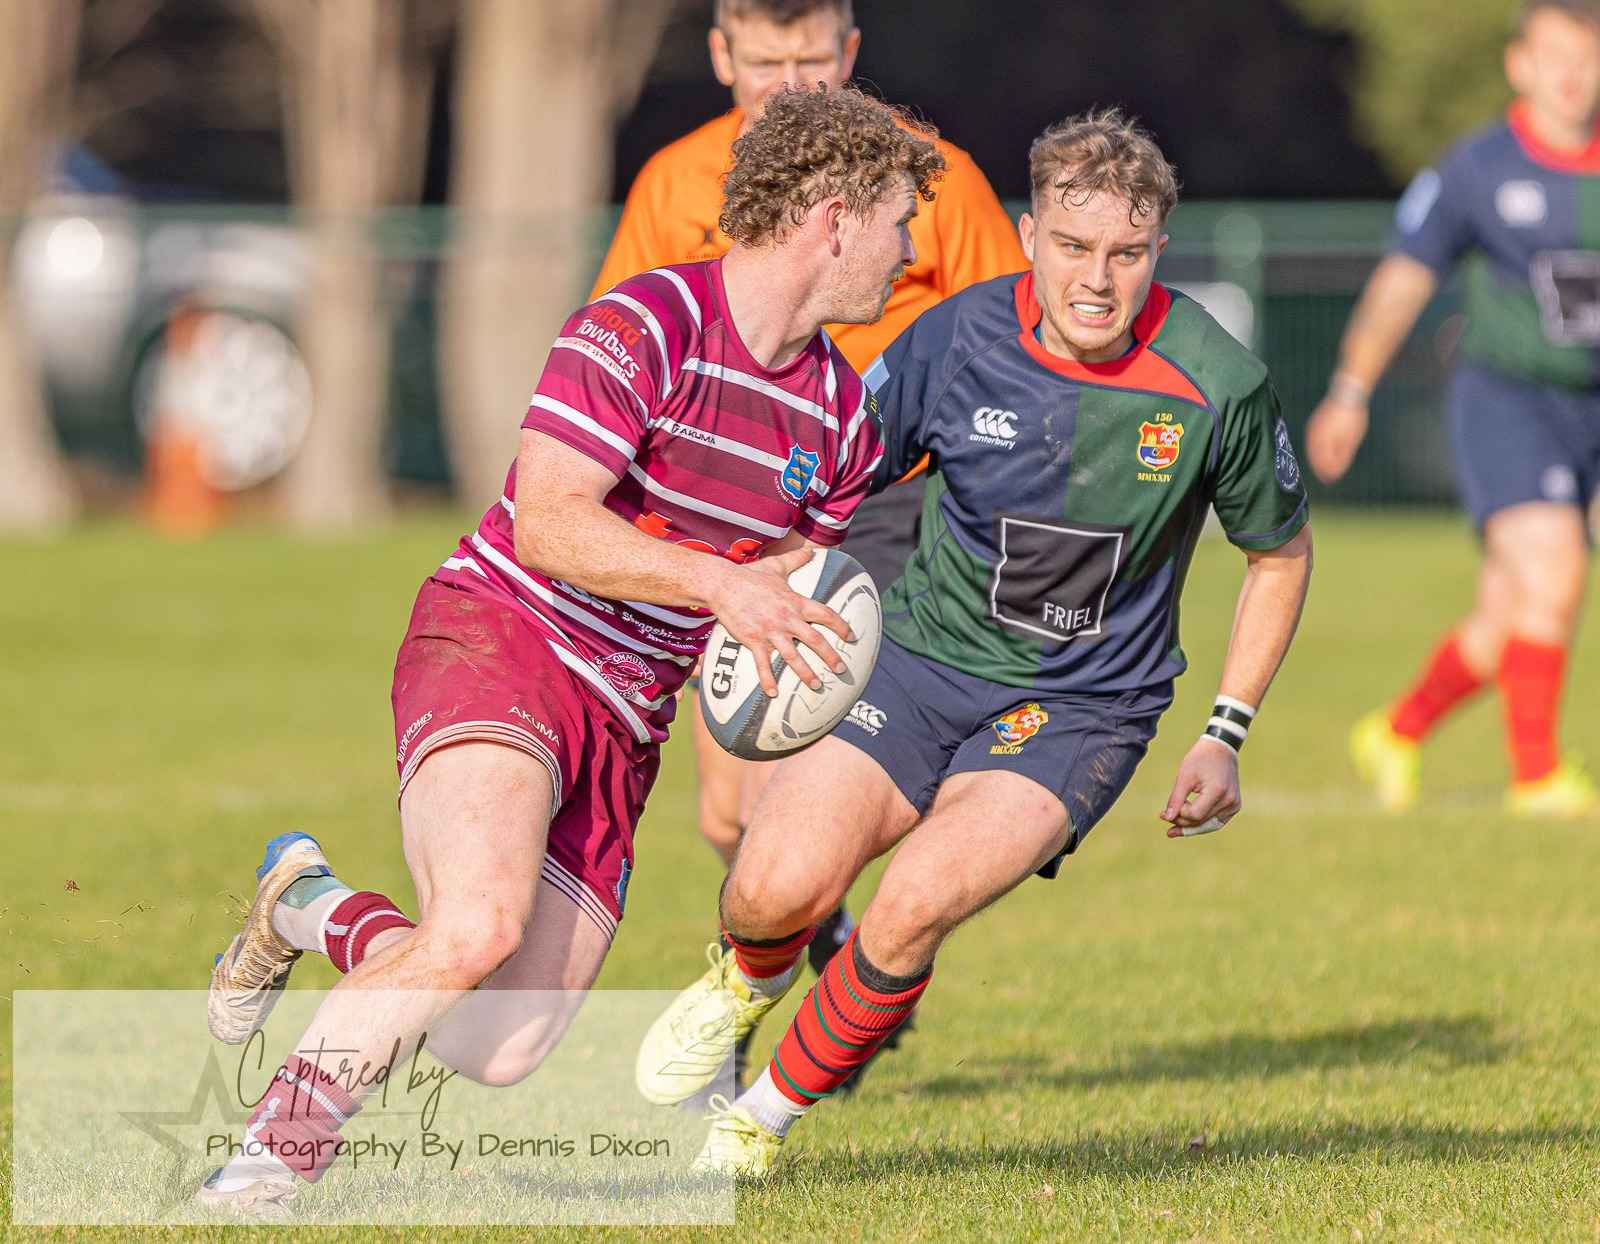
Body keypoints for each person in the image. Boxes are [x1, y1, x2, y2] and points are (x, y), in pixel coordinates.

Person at [196, 85, 945, 1214]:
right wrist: (718, 582)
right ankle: (260, 1168)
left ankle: (309, 903)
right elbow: (549, 521)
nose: (907, 254)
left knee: (498, 1043)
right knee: (477, 923)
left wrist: (799, 687)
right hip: (508, 634)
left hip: (627, 718)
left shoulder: (841, 420)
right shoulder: (645, 325)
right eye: (897, 223)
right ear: (833, 220)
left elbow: (782, 614)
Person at [633, 108, 1314, 1177]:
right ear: (1030, 235)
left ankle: (756, 1120)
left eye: (1128, 253)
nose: (1098, 280)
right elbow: (839, 465)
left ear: (1157, 249)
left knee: (911, 906)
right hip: (916, 662)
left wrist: (1224, 732)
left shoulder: (1215, 382)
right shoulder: (959, 338)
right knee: (771, 885)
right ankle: (746, 982)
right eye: (1074, 246)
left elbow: (1279, 553)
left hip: (1082, 709)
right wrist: (752, 578)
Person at [594, 0, 1026, 1082]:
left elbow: (1009, 341)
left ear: (851, 53)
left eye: (811, 58)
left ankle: (739, 1031)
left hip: (878, 500)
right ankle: (825, 935)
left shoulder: (932, 178)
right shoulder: (675, 185)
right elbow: (626, 342)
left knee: (789, 767)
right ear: (719, 55)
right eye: (765, 59)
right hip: (727, 508)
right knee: (728, 806)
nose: (790, 82)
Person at [1306, 0, 1600, 817]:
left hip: (1593, 408)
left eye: (1588, 58)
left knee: (1511, 616)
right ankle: (1536, 777)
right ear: (1520, 65)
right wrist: (1350, 392)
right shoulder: (1478, 168)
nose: (1573, 75)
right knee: (1555, 571)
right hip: (1510, 398)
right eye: (1557, 56)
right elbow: (1403, 282)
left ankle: (1396, 731)